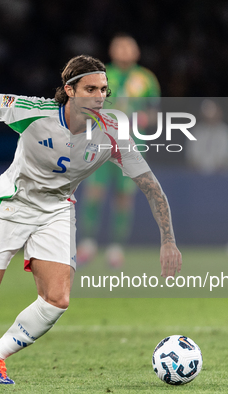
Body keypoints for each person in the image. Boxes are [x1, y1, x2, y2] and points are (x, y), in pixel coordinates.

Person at [0, 55, 181, 385]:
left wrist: (168, 240)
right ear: (70, 91)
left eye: (103, 89)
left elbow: (150, 186)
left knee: (58, 299)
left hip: (56, 210)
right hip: (13, 206)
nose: (99, 96)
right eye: (90, 89)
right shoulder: (33, 112)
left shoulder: (113, 130)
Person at [77, 34, 161, 268]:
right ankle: (87, 243)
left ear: (137, 52)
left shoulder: (146, 79)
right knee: (95, 192)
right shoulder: (101, 76)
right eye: (120, 47)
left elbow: (154, 111)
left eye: (129, 47)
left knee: (124, 198)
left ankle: (116, 248)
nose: (124, 51)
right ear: (112, 51)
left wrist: (145, 118)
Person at [185, 99, 228, 175]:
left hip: (221, 177)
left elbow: (226, 158)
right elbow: (192, 157)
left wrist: (213, 172)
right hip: (197, 177)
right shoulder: (196, 132)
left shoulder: (226, 132)